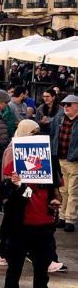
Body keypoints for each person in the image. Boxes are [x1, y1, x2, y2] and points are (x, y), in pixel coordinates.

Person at [0, 121, 61, 288]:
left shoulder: (51, 161)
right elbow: (2, 194)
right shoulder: (13, 162)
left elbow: (57, 192)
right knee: (13, 270)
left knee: (41, 273)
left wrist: (56, 201)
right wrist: (14, 185)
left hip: (43, 225)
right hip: (19, 225)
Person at [49, 94, 78, 232]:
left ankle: (70, 219)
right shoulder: (59, 118)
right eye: (65, 104)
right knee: (62, 190)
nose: (66, 107)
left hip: (74, 161)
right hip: (59, 159)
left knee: (73, 190)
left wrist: (74, 155)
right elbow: (53, 135)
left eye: (69, 104)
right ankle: (61, 217)